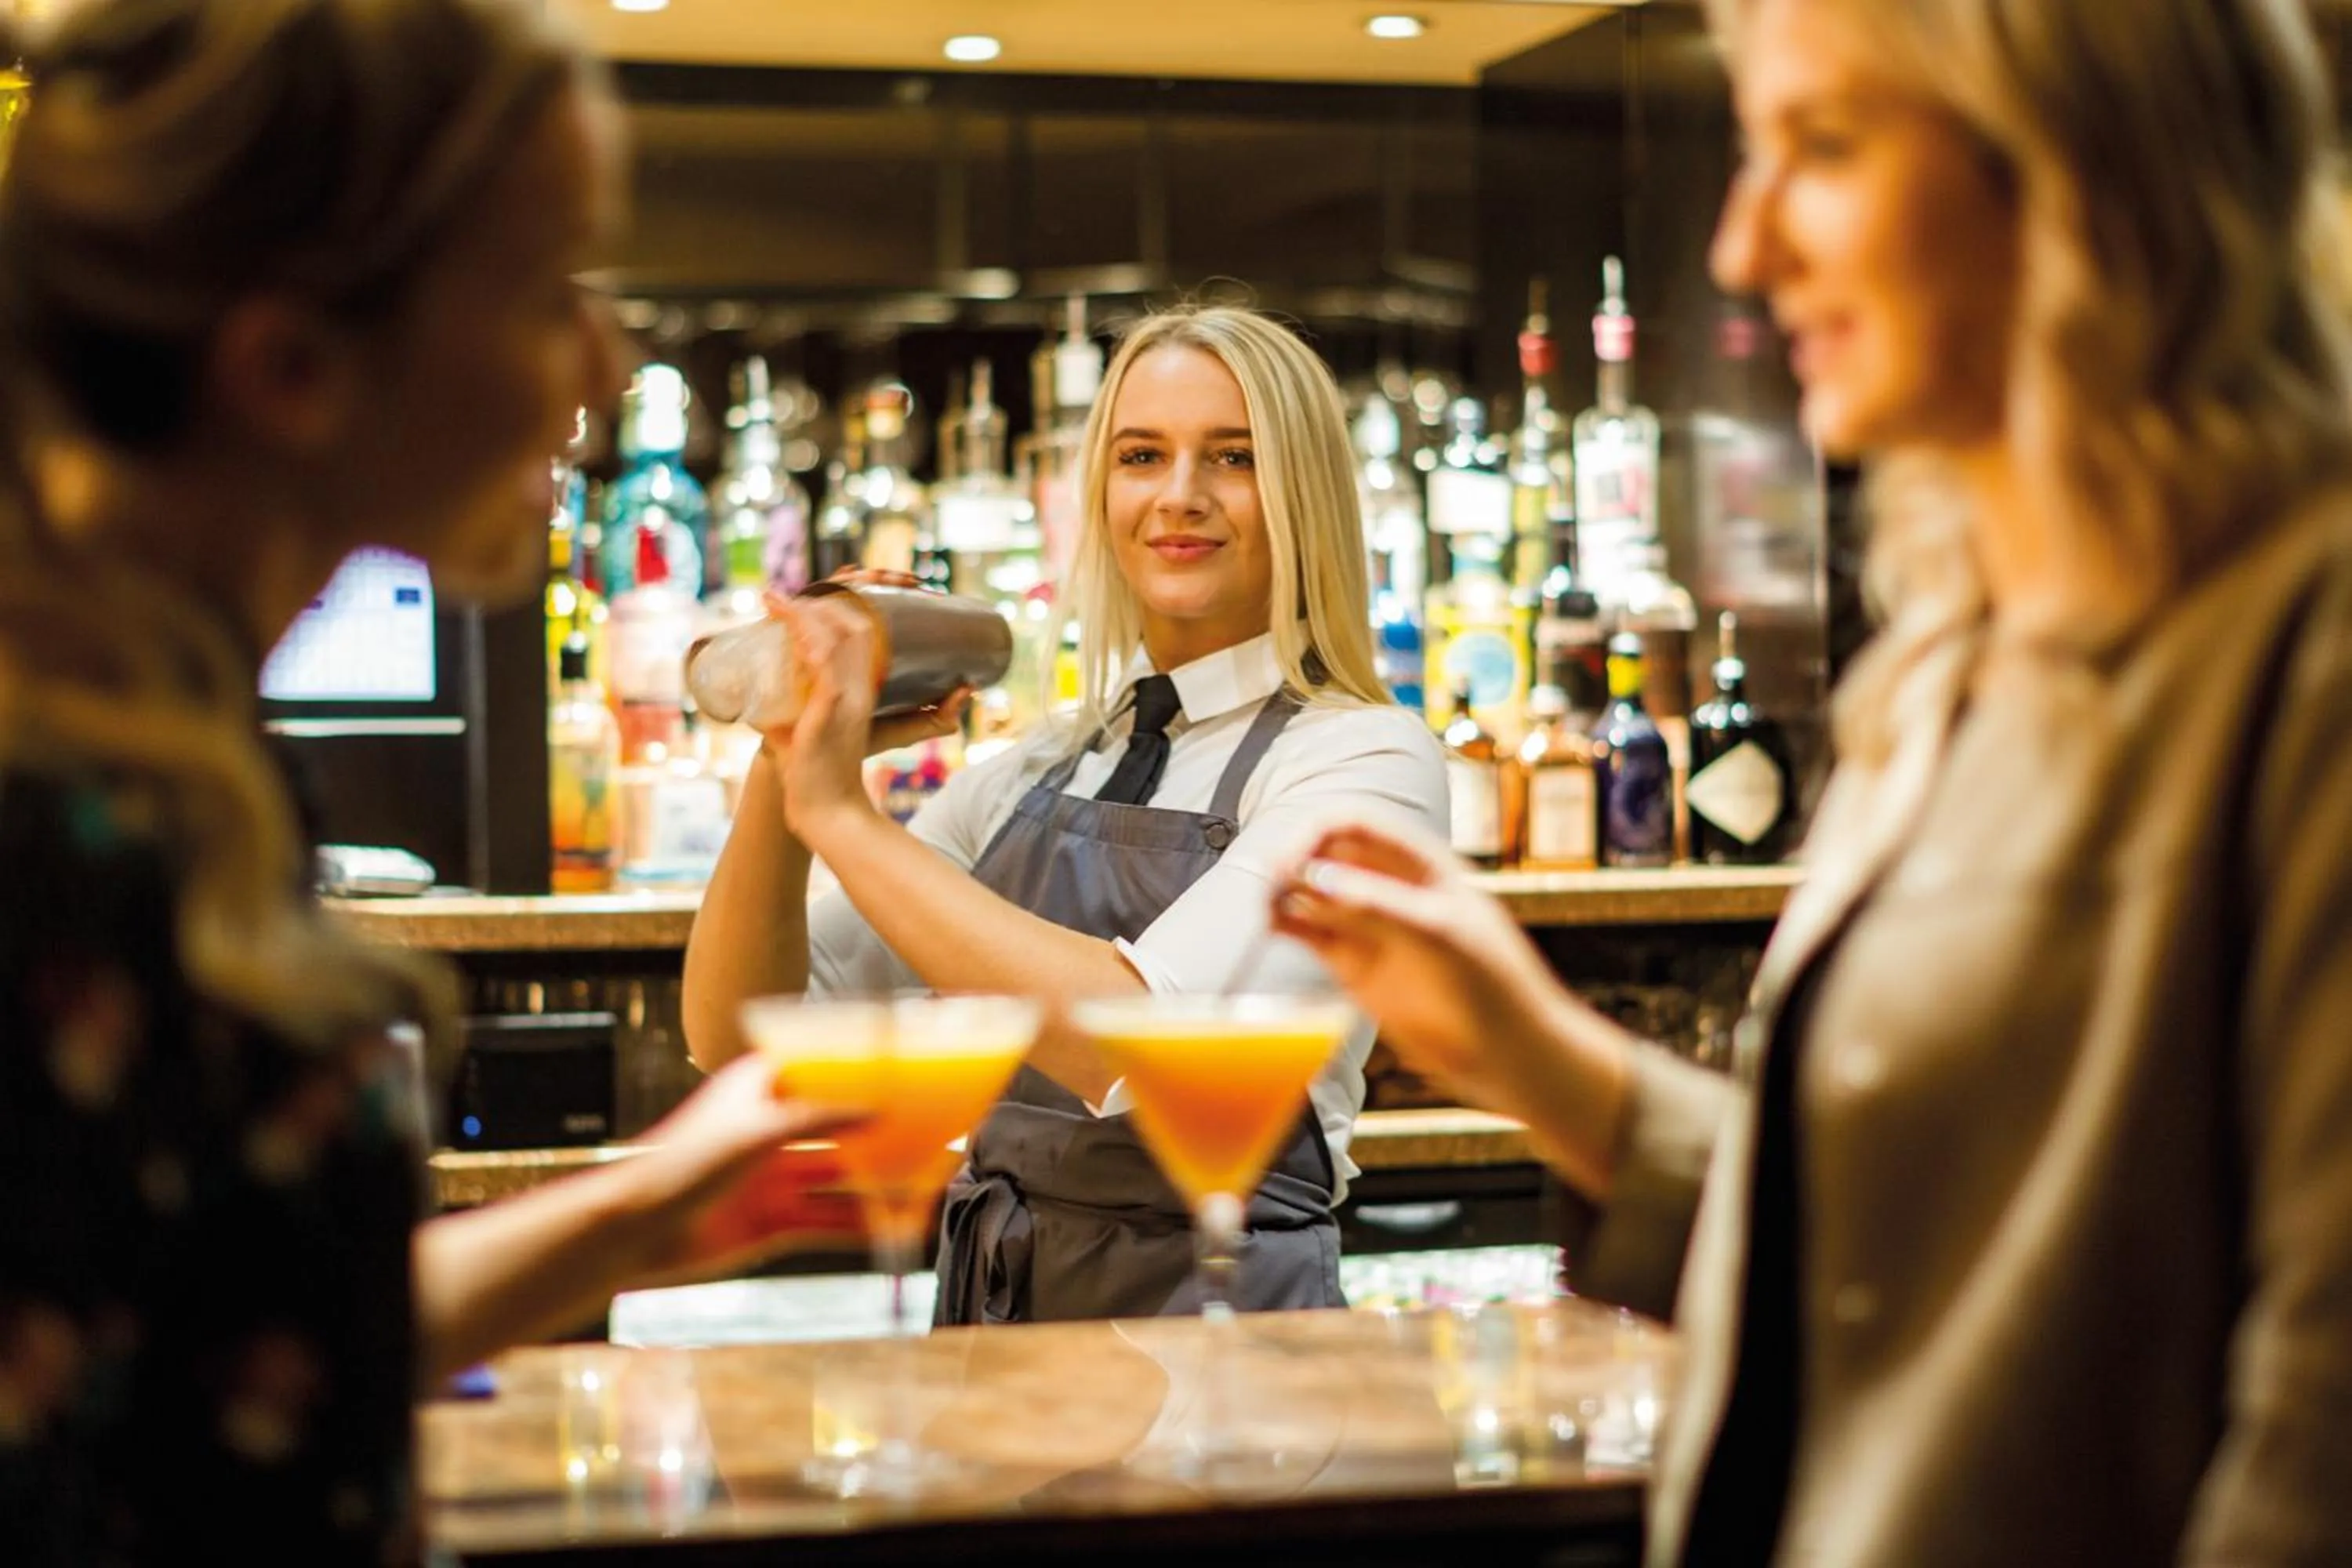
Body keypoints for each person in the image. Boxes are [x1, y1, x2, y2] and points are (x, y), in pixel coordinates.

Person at [1270, 0, 2352, 1562]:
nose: (1741, 246)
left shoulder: (2303, 657)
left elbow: (2319, 1440)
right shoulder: (1945, 663)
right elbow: (1907, 1273)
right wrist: (1546, 1065)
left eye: (1824, 149)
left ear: (2090, 172)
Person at [0, 2, 865, 1560]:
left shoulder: (177, 740)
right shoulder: (54, 817)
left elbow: (210, 1356)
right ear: (291, 362)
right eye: (545, 295)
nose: (608, 361)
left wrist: (638, 1212)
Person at [684, 306, 1449, 1325]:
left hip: (1225, 1347)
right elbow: (742, 1032)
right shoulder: (1036, 768)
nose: (1180, 497)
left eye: (1233, 457)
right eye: (1142, 455)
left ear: (1303, 494)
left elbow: (1134, 1041)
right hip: (1003, 1337)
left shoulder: (1364, 759)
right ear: (1098, 493)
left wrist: (841, 815)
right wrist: (786, 770)